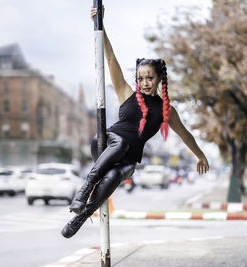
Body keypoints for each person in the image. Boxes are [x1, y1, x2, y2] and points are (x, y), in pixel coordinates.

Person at [61, 7, 209, 239]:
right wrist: (100, 24)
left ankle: (80, 216)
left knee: (111, 179)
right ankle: (83, 191)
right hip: (106, 144)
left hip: (128, 160)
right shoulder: (126, 94)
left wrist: (200, 155)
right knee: (120, 144)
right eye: (140, 78)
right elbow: (109, 57)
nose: (144, 82)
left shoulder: (165, 111)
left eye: (150, 78)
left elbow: (185, 135)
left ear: (160, 78)